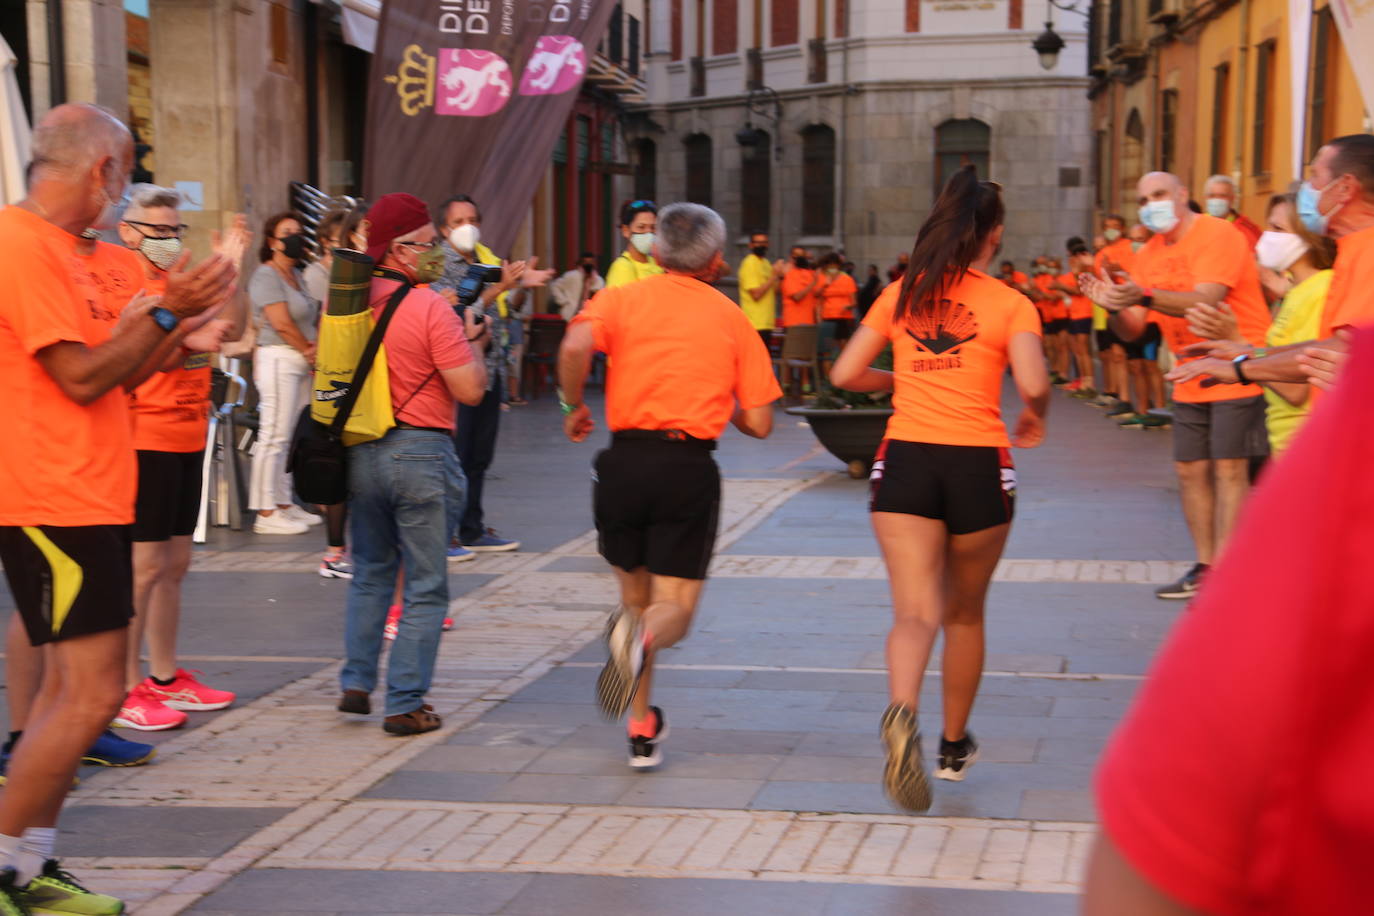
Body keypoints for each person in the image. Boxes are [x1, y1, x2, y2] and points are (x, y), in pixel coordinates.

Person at [0, 102, 235, 915]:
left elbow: (119, 373)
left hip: (90, 489)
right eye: (128, 169)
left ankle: (32, 869)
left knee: (77, 699)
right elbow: (81, 378)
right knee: (94, 696)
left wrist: (172, 319)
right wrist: (168, 313)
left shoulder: (69, 251)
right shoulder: (21, 245)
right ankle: (7, 866)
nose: (127, 188)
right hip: (51, 496)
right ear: (102, 170)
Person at [1083, 326, 1374, 916]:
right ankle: (1208, 563)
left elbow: (1172, 817)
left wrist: (1242, 363)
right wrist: (1243, 359)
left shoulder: (1359, 426)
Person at [830, 166, 1049, 813]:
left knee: (914, 613)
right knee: (965, 613)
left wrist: (898, 382)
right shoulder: (1011, 302)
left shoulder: (900, 293)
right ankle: (953, 747)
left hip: (907, 461)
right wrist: (1036, 413)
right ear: (994, 236)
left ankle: (903, 713)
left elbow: (845, 372)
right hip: (979, 462)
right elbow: (1033, 383)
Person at [556, 202, 782, 769]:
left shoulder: (620, 298)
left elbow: (573, 347)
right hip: (685, 468)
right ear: (716, 261)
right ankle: (632, 653)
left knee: (635, 605)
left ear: (655, 252)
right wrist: (719, 394)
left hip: (623, 463)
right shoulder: (729, 315)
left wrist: (573, 404)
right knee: (672, 611)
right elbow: (759, 422)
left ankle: (640, 728)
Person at [1079, 171, 1271, 601]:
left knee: (1229, 468)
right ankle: (1206, 565)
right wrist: (1112, 304)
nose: (1151, 204)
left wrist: (1140, 295)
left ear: (1183, 194)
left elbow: (1207, 298)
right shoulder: (1146, 253)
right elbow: (1132, 329)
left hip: (1236, 362)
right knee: (1190, 470)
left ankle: (1230, 569)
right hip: (1188, 373)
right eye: (1144, 198)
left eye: (1160, 194)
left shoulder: (1216, 234)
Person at [336, 192, 487, 736]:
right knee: (425, 584)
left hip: (361, 452)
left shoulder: (348, 301)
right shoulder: (428, 307)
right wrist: (474, 343)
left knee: (371, 572)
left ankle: (356, 683)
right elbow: (469, 390)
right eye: (427, 244)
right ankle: (405, 702)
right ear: (399, 250)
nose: (434, 255)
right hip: (420, 451)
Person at [113, 184, 243, 732]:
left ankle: (164, 678)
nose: (167, 239)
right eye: (156, 230)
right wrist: (188, 336)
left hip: (190, 432)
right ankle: (121, 688)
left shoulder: (179, 281)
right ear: (128, 230)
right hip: (145, 435)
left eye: (174, 230)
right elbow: (136, 357)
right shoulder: (126, 283)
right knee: (141, 570)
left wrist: (231, 269)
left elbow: (230, 326)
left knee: (174, 567)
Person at [1168, 134, 1374, 392]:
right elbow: (1328, 344)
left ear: (1345, 188)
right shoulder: (1354, 249)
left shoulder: (1368, 251)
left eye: (1315, 177)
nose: (1307, 189)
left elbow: (1344, 351)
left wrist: (1241, 368)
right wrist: (1252, 354)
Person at [431, 194, 551, 555]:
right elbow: (454, 316)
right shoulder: (435, 263)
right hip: (457, 372)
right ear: (443, 229)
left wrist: (517, 289)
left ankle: (471, 527)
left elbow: (508, 310)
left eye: (473, 219)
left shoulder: (486, 257)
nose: (467, 227)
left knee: (479, 456)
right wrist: (500, 287)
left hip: (489, 367)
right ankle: (444, 533)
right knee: (454, 455)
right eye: (458, 222)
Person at [1187, 193, 1335, 455]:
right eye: (1269, 226)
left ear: (1308, 239)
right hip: (1286, 444)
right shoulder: (1296, 291)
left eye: (1278, 229)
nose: (1267, 236)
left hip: (1306, 446)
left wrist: (1240, 354)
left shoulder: (1321, 290)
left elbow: (1296, 388)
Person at [247, 211, 321, 535]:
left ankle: (284, 503)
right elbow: (280, 322)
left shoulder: (297, 275)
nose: (294, 236)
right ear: (272, 242)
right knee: (273, 435)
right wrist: (307, 348)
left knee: (290, 437)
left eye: (298, 231)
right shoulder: (266, 275)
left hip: (298, 360)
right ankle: (265, 511)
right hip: (278, 356)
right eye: (287, 232)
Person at [302, 206, 359, 579]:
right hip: (339, 383)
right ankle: (334, 551)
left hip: (348, 380)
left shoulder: (353, 274)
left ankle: (341, 549)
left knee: (350, 470)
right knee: (339, 469)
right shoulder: (334, 277)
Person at [1091, 216, 1134, 414]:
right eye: (1107, 227)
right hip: (1113, 307)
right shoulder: (1103, 253)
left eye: (1115, 227)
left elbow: (1140, 272)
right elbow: (1100, 277)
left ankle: (1146, 405)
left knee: (1138, 361)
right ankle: (1123, 397)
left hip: (1133, 304)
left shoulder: (1131, 247)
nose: (1111, 231)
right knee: (1117, 355)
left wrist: (1122, 270)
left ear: (1123, 229)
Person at [1051, 240, 1096, 398]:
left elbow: (1079, 290)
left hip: (1084, 312)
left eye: (1071, 256)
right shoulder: (1076, 269)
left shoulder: (1085, 269)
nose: (1070, 260)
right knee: (1078, 350)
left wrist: (1061, 287)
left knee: (1083, 349)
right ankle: (1083, 381)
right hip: (1075, 313)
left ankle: (1088, 383)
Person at [778, 244, 822, 394]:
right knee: (789, 356)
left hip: (808, 321)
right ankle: (786, 386)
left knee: (805, 357)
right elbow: (797, 296)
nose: (801, 259)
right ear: (791, 257)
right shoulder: (789, 275)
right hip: (792, 321)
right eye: (797, 256)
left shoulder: (810, 274)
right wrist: (813, 284)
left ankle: (805, 386)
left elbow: (817, 294)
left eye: (803, 255)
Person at [737, 231, 784, 347]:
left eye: (764, 242)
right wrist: (774, 276)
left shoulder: (766, 263)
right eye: (757, 242)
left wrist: (779, 276)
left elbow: (775, 291)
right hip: (755, 323)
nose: (761, 245)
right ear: (751, 245)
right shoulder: (749, 263)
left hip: (766, 322)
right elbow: (756, 294)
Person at [605, 199, 664, 288]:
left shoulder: (657, 263)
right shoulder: (623, 267)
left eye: (653, 227)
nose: (648, 232)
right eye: (641, 227)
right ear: (626, 231)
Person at [1201, 174, 1262, 247]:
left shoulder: (1245, 230)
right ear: (1205, 197)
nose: (1217, 199)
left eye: (1222, 196)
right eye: (1212, 195)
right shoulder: (1195, 226)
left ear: (1233, 199)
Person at [817, 251, 859, 347]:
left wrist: (848, 306)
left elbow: (854, 302)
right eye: (829, 267)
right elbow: (817, 298)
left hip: (843, 317)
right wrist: (825, 284)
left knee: (843, 344)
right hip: (827, 317)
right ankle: (828, 362)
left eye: (834, 266)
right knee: (826, 346)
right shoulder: (822, 278)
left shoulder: (847, 279)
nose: (832, 269)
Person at [548, 252, 604, 319]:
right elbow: (555, 286)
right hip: (571, 314)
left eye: (590, 262)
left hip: (590, 316)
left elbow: (599, 295)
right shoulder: (571, 276)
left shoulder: (598, 280)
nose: (588, 264)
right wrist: (563, 301)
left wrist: (592, 282)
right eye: (585, 262)